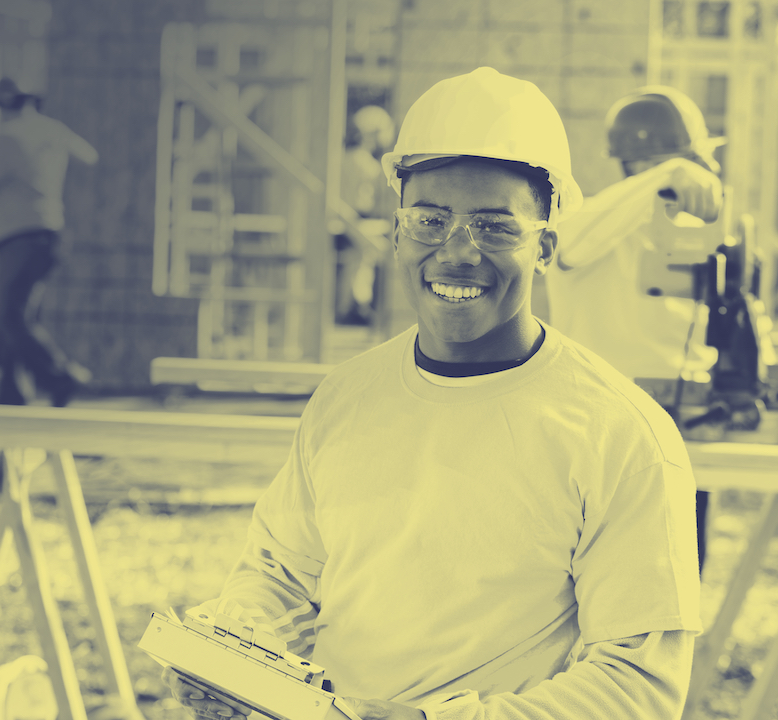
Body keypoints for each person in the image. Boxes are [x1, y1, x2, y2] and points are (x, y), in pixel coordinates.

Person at [166, 67, 701, 720]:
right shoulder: (346, 398)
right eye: (430, 221)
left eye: (494, 227)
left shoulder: (622, 435)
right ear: (396, 234)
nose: (457, 251)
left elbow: (639, 688)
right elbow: (280, 575)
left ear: (546, 246)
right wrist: (235, 654)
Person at [545, 86, 724, 570]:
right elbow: (570, 246)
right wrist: (668, 174)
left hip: (681, 415)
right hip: (601, 419)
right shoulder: (593, 222)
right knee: (606, 566)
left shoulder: (685, 234)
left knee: (681, 568)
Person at [0, 77, 98, 406]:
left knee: (11, 317)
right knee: (21, 317)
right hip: (50, 232)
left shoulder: (6, 137)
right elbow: (89, 157)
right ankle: (11, 391)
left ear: (4, 104)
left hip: (18, 235)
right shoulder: (53, 130)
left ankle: (61, 377)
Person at [334, 105, 394, 325]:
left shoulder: (343, 157)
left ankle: (351, 305)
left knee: (363, 254)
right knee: (374, 249)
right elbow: (362, 202)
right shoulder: (366, 164)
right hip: (349, 221)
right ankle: (358, 305)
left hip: (343, 220)